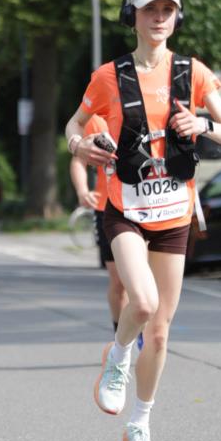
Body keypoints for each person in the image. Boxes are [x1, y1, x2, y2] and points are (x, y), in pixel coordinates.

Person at [65, 0, 221, 441]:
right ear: (133, 17)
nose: (160, 18)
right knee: (140, 303)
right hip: (123, 209)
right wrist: (80, 147)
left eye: (168, 10)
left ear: (176, 17)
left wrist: (203, 124)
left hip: (175, 214)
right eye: (150, 10)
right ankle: (118, 357)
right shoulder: (109, 76)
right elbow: (74, 126)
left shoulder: (194, 73)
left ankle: (139, 429)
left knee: (162, 332)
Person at [69, 114, 143, 349]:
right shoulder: (96, 120)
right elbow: (79, 160)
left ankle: (142, 331)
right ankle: (120, 335)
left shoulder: (146, 107)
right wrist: (82, 191)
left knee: (141, 279)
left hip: (144, 207)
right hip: (108, 207)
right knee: (120, 281)